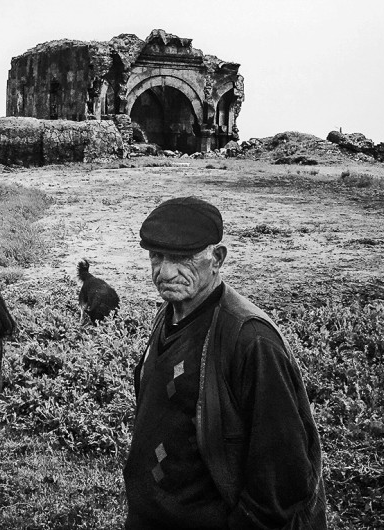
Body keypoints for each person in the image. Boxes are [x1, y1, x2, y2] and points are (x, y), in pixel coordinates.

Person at [123, 197, 326, 529]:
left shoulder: (251, 341)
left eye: (181, 258)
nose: (165, 272)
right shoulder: (171, 312)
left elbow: (281, 480)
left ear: (216, 258)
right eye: (156, 256)